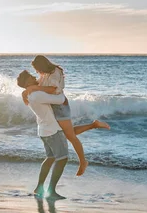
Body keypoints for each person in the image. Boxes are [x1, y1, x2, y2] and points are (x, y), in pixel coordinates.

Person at [17, 70, 108, 199]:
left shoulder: (30, 94)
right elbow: (58, 98)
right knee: (62, 158)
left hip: (44, 130)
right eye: (31, 77)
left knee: (50, 157)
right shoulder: (36, 94)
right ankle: (51, 191)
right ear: (27, 82)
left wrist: (35, 85)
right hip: (52, 130)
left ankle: (39, 187)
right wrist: (63, 97)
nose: (34, 77)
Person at [23, 55, 109, 176]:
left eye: (37, 69)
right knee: (67, 134)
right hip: (53, 106)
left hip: (60, 107)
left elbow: (52, 89)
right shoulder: (45, 73)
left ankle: (83, 162)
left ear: (41, 65)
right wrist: (26, 91)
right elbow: (37, 87)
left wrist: (33, 88)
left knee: (71, 137)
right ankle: (94, 125)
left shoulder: (54, 72)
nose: (37, 72)